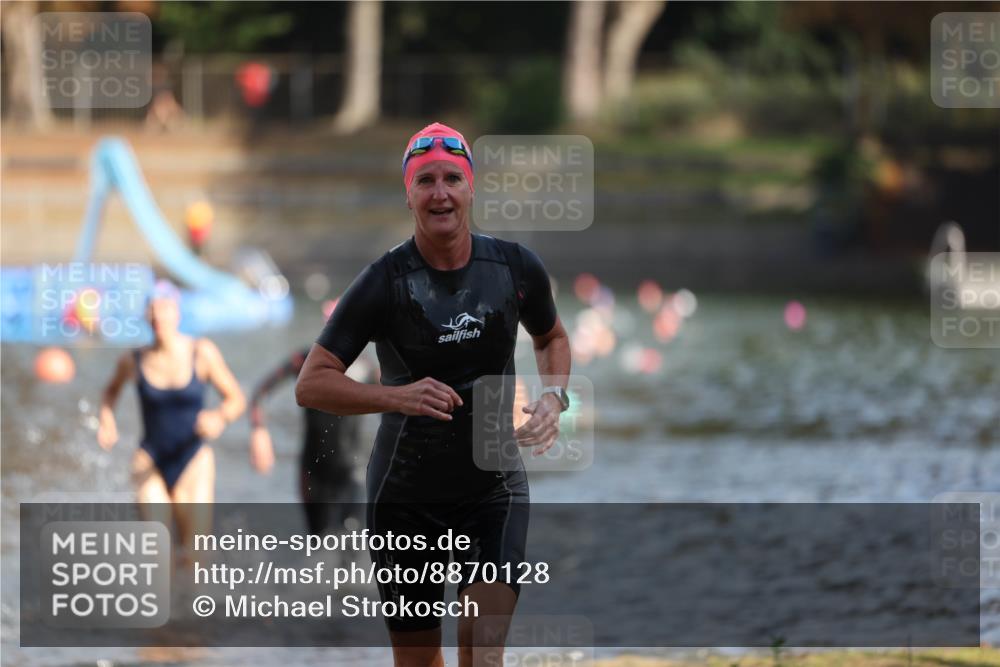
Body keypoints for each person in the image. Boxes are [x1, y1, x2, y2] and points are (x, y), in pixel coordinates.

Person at [296, 123, 572, 667]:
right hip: (405, 496)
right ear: (408, 193)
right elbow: (312, 382)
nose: (440, 192)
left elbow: (552, 338)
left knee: (485, 653)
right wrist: (395, 397)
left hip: (493, 487)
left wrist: (554, 398)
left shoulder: (515, 268)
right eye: (425, 180)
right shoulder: (384, 281)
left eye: (452, 178)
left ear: (471, 188)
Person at [97, 280, 245, 561]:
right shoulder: (133, 359)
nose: (158, 317)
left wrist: (219, 417)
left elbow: (236, 398)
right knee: (156, 552)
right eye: (152, 310)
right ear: (145, 316)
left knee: (194, 557)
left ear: (177, 313)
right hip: (150, 460)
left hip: (194, 461)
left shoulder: (201, 352)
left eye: (164, 309)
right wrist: (107, 419)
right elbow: (110, 392)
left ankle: (188, 602)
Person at [248, 331, 375, 535]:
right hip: (313, 473)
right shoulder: (305, 361)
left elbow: (396, 410)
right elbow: (260, 393)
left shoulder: (368, 368)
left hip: (353, 472)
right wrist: (259, 432)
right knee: (319, 546)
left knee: (351, 546)